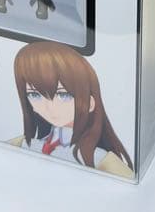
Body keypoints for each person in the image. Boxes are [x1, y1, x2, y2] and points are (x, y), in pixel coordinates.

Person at [8, 41, 134, 178]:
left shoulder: (98, 157)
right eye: (35, 95)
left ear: (90, 103)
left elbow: (129, 181)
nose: (49, 106)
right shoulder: (27, 144)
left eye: (63, 95)